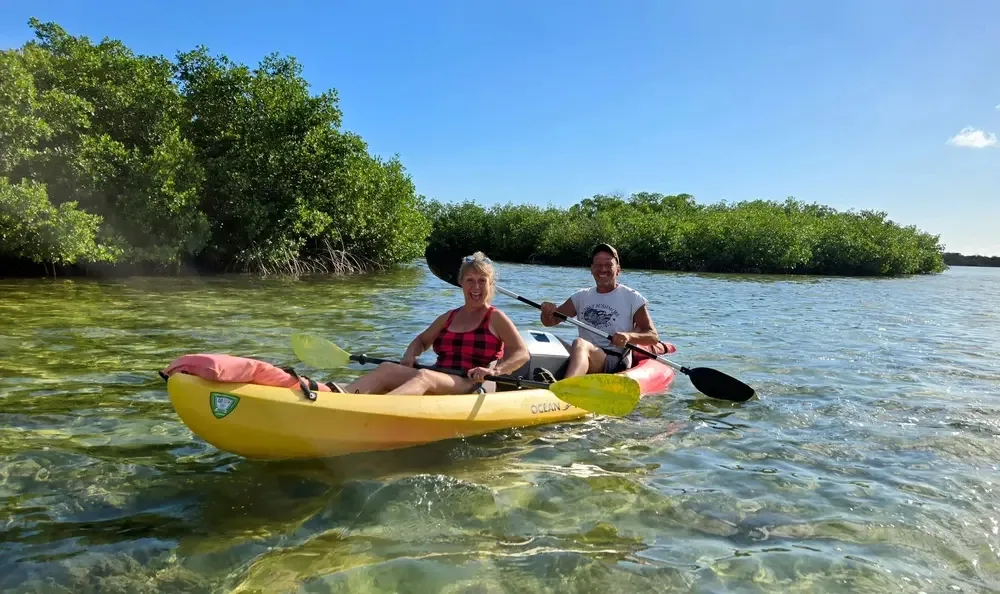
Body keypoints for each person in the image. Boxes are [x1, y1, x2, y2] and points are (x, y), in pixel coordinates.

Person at [330, 252, 530, 395]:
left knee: (424, 376)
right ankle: (341, 397)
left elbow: (521, 353)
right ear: (461, 282)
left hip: (469, 384)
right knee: (386, 368)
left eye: (482, 280)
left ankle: (376, 410)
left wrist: (494, 371)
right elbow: (422, 341)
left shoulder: (495, 317)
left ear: (490, 284)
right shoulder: (449, 317)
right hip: (439, 376)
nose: (476, 286)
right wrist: (410, 354)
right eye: (470, 280)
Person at [539, 243, 659, 378]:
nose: (603, 269)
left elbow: (653, 336)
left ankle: (566, 385)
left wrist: (629, 336)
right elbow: (549, 322)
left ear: (618, 269)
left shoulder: (633, 298)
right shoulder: (580, 296)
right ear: (592, 269)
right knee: (548, 339)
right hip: (585, 351)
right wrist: (546, 312)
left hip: (615, 359)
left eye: (608, 265)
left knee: (580, 343)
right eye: (598, 265)